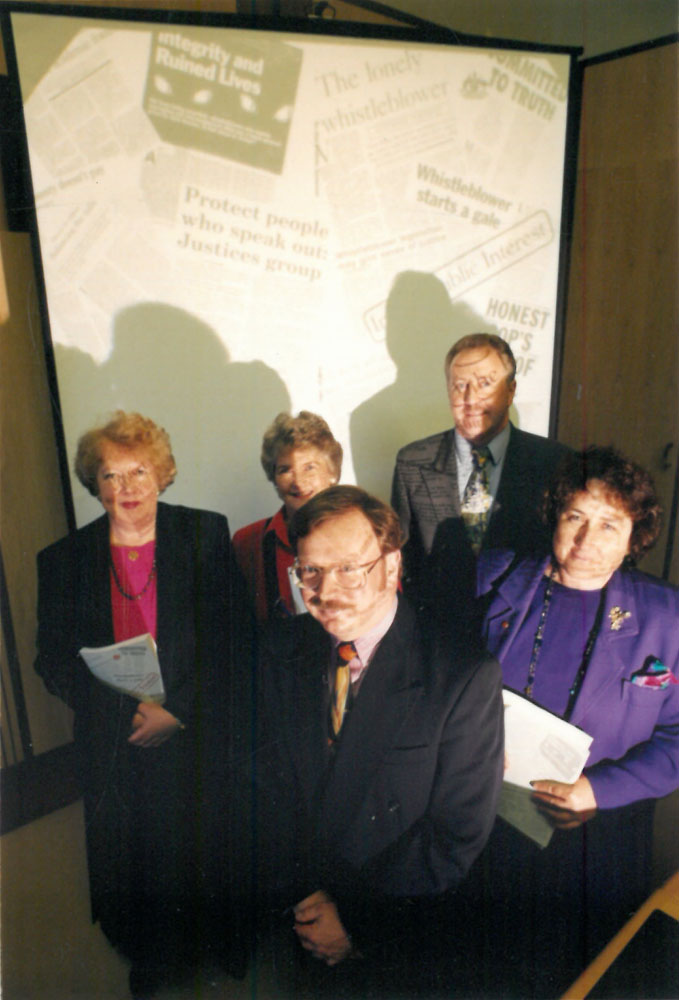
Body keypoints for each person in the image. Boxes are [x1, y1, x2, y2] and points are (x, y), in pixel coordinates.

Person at [34, 412, 252, 999]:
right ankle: (150, 953)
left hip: (197, 724)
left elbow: (236, 642)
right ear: (93, 483)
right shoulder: (63, 559)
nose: (126, 488)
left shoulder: (204, 534)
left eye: (138, 471)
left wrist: (176, 710)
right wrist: (120, 713)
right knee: (137, 853)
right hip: (116, 737)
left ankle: (219, 941)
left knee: (208, 836)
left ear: (162, 474)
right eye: (110, 475)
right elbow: (51, 660)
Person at [255, 485, 504, 996]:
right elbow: (265, 788)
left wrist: (353, 921)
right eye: (312, 571)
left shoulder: (462, 675)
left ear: (391, 568)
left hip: (394, 936)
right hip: (303, 917)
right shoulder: (281, 647)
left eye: (350, 568)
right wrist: (305, 900)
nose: (328, 590)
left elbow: (455, 838)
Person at [473, 445, 679, 998]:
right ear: (555, 518)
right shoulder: (494, 581)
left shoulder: (667, 617)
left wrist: (600, 789)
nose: (588, 543)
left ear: (636, 536)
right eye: (575, 518)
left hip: (599, 844)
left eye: (610, 525)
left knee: (575, 975)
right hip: (489, 825)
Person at [391, 332, 570, 605]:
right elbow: (401, 561)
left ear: (510, 391)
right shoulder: (412, 463)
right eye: (459, 385)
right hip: (439, 633)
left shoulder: (555, 463)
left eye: (485, 384)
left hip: (520, 629)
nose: (471, 399)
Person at [232, 411, 342, 622]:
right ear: (273, 478)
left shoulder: (366, 530)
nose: (298, 482)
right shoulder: (248, 541)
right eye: (285, 470)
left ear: (332, 473)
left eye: (310, 467)